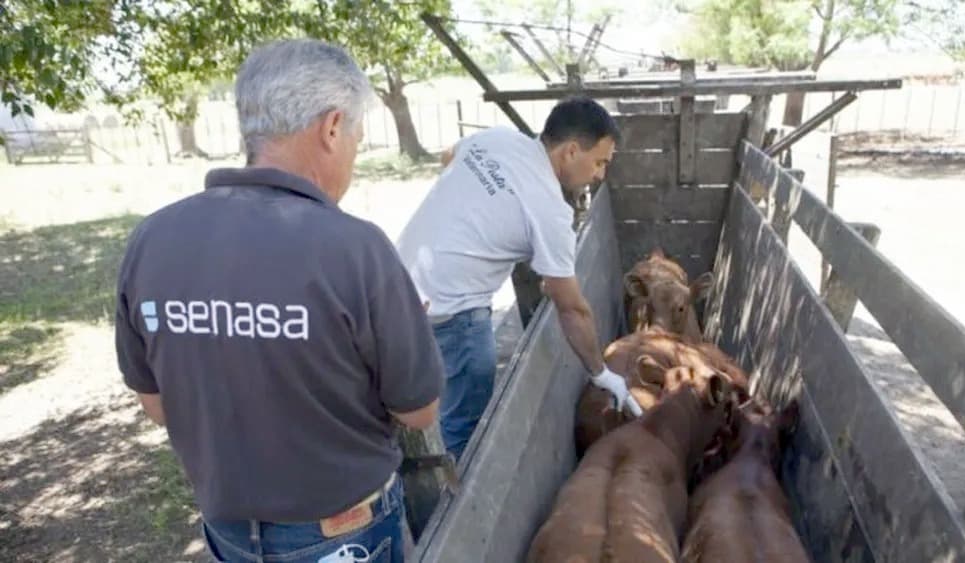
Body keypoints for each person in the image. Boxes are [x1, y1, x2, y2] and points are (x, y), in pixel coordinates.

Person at [114, 39, 444, 563]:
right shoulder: (356, 248)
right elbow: (420, 411)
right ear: (333, 127)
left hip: (226, 529)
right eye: (356, 136)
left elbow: (157, 406)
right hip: (342, 535)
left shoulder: (153, 238)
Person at [396, 96, 641, 461]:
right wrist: (601, 373)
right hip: (454, 314)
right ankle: (448, 509)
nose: (600, 174)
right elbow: (572, 309)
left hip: (395, 286)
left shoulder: (497, 139)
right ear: (571, 151)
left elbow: (448, 157)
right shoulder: (551, 213)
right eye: (600, 162)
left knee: (401, 407)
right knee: (460, 429)